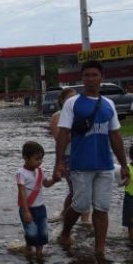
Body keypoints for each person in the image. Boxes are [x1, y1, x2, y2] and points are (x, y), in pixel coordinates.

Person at [53, 60, 130, 255]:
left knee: (102, 208)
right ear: (82, 78)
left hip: (104, 164)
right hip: (80, 164)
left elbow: (115, 135)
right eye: (87, 75)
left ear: (101, 78)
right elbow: (63, 134)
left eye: (94, 75)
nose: (90, 79)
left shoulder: (108, 104)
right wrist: (59, 163)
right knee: (80, 204)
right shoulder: (72, 103)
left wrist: (124, 164)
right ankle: (65, 232)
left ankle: (100, 249)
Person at [49, 87, 90, 223]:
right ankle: (76, 219)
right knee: (77, 191)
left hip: (85, 156)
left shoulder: (81, 114)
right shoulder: (57, 116)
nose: (73, 101)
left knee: (82, 190)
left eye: (76, 98)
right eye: (69, 98)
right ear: (62, 100)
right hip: (68, 157)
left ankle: (77, 218)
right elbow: (59, 138)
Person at [17, 141, 59, 256]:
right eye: (36, 159)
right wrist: (26, 211)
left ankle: (39, 254)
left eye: (41, 159)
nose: (39, 162)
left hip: (41, 208)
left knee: (42, 232)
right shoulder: (21, 173)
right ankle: (28, 248)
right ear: (25, 158)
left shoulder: (40, 171)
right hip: (27, 209)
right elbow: (22, 193)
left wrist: (54, 179)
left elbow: (46, 184)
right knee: (31, 233)